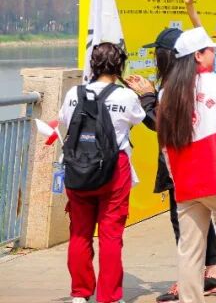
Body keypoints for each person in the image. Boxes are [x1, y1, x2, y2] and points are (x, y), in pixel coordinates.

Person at [126, 27, 216, 302]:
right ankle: (212, 273)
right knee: (200, 219)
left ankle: (191, 281)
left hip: (181, 165)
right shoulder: (193, 81)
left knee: (184, 224)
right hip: (200, 162)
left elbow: (163, 125)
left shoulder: (175, 86)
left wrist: (147, 97)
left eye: (157, 53)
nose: (154, 59)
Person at [157, 27, 216, 303]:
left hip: (188, 183)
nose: (215, 55)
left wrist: (176, 177)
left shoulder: (166, 94)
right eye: (211, 50)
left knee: (190, 251)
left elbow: (165, 145)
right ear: (198, 55)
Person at [61, 42, 146, 303]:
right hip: (113, 169)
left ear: (93, 65)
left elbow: (64, 120)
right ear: (120, 66)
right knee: (111, 235)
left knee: (79, 232)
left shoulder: (74, 93)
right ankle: (109, 296)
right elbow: (138, 118)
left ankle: (80, 293)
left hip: (78, 168)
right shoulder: (126, 96)